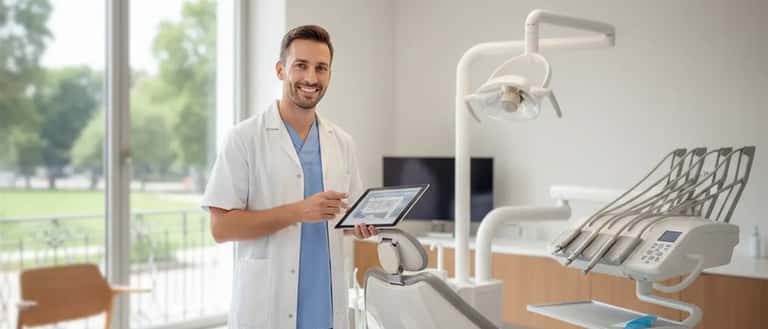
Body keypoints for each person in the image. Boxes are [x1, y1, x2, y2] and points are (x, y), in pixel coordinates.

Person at [201, 25, 378, 329]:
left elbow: (344, 218)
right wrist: (298, 211)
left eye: (321, 68)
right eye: (301, 66)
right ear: (281, 70)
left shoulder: (342, 142)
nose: (311, 78)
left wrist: (359, 227)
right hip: (266, 312)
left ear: (330, 74)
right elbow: (221, 227)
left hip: (325, 311)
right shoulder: (244, 139)